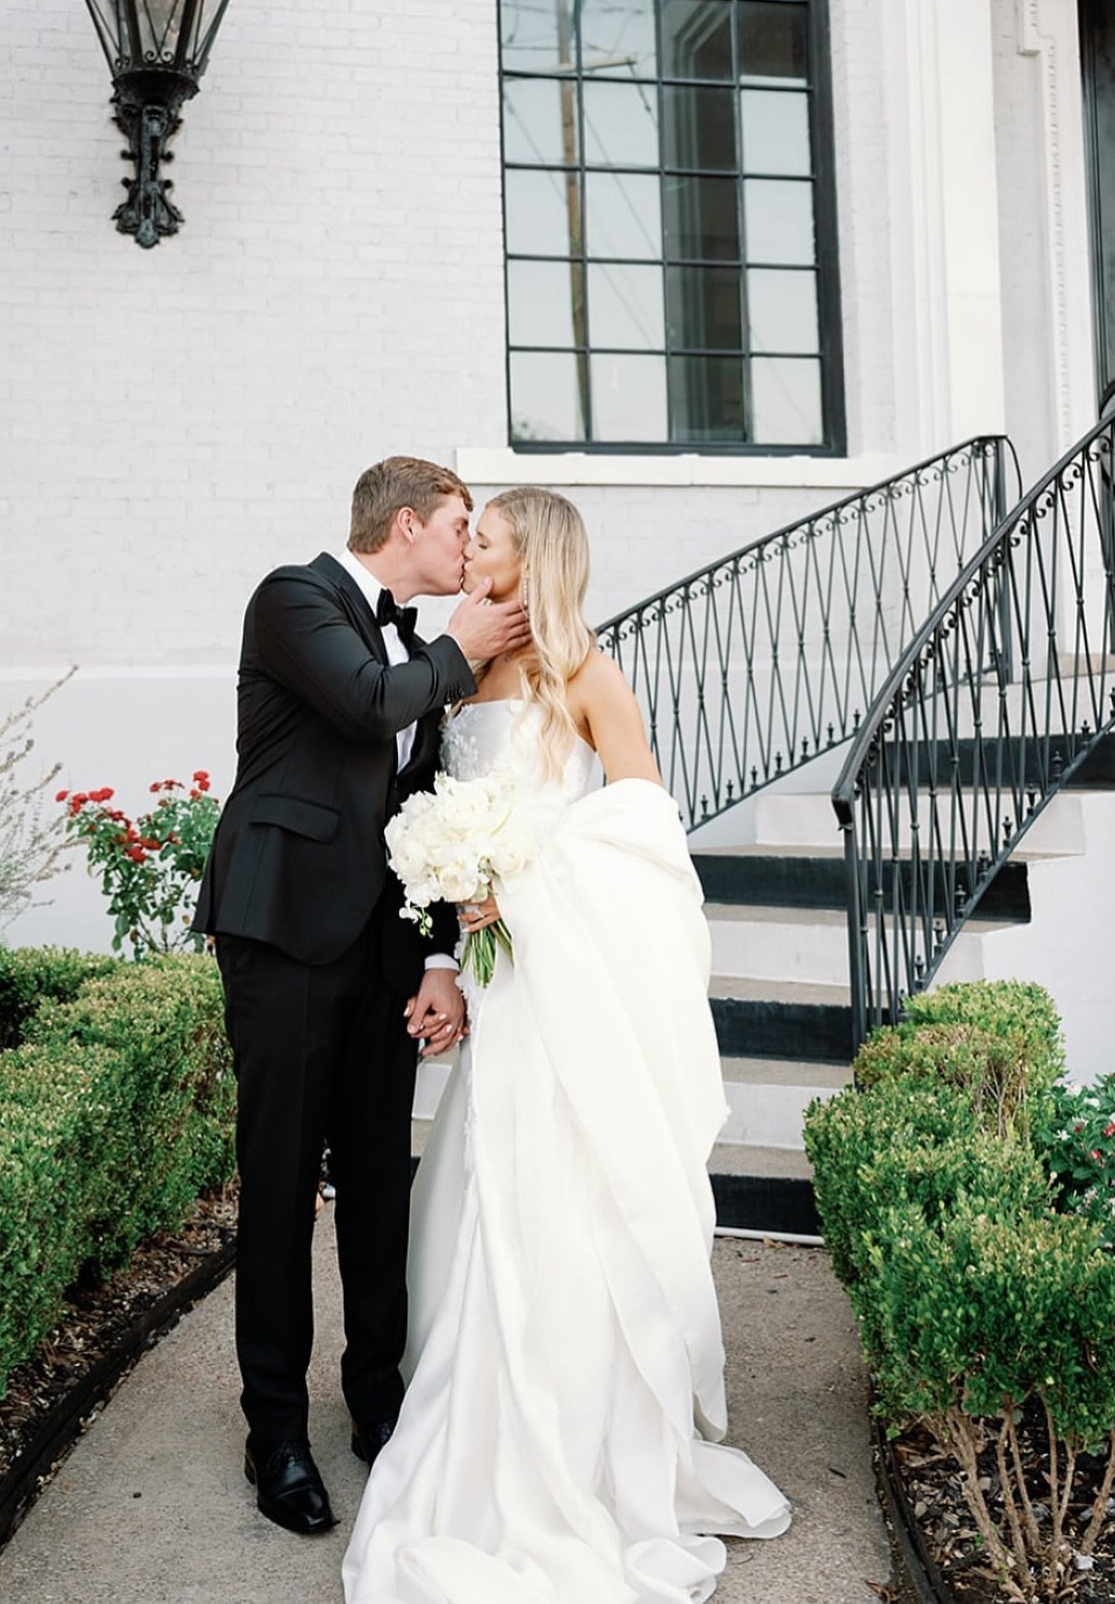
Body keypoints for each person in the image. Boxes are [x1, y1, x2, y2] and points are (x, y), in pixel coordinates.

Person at [342, 487, 791, 1603]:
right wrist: (455, 915)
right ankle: (474, 1400)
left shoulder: (584, 672)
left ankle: (582, 1434)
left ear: (525, 558)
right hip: (497, 979)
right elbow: (435, 826)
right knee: (485, 1175)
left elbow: (643, 830)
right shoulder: (454, 676)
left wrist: (521, 880)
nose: (465, 550)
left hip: (563, 975)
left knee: (564, 1179)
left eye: (481, 538)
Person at [194, 457, 531, 1538]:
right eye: (457, 527)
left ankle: (378, 1402)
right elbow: (364, 701)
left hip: (385, 954)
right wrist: (462, 646)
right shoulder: (295, 597)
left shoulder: (427, 651)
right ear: (402, 525)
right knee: (283, 1188)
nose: (466, 547)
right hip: (282, 935)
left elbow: (432, 808)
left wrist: (438, 958)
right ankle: (275, 1432)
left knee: (380, 1187)